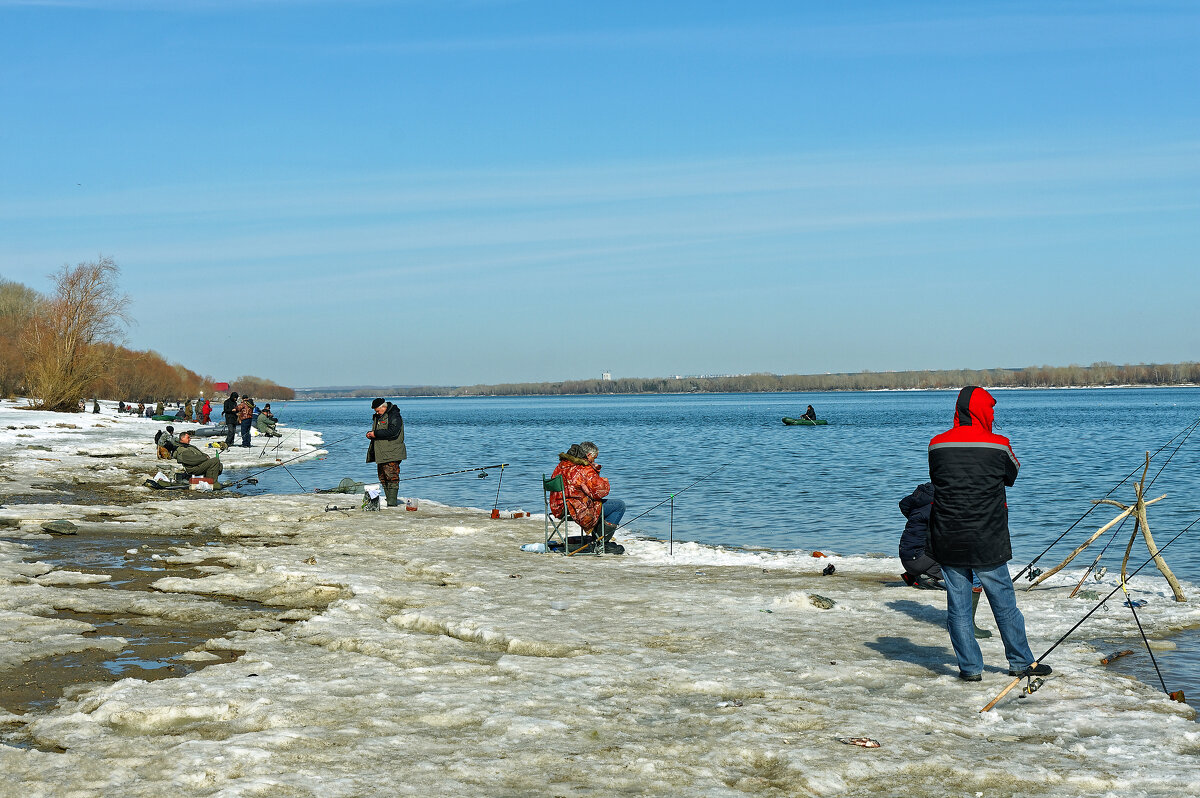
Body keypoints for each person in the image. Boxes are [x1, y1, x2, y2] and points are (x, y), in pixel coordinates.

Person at [929, 386, 1049, 682]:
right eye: (991, 409)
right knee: (1004, 602)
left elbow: (937, 478)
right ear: (983, 411)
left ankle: (970, 668)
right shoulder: (999, 445)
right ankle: (1020, 662)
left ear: (958, 410)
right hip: (988, 537)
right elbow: (1012, 475)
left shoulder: (936, 445)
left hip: (948, 535)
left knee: (958, 606)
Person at [899, 482, 991, 639]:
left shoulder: (923, 495)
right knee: (969, 568)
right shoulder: (937, 504)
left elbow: (903, 505)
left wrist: (919, 525)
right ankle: (967, 625)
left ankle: (919, 576)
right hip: (918, 557)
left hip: (908, 555)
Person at [549, 442, 625, 552]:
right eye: (594, 458)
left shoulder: (561, 466)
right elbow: (601, 491)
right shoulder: (583, 469)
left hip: (559, 508)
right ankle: (601, 542)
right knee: (619, 506)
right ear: (588, 455)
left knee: (598, 505)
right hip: (576, 509)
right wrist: (597, 471)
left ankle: (597, 539)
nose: (594, 461)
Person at [366, 398, 406, 507]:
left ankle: (392, 504)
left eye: (378, 411)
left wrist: (376, 434)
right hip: (381, 453)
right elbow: (379, 431)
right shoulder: (379, 417)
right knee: (382, 477)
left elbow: (393, 431)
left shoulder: (394, 415)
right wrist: (371, 434)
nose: (376, 413)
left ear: (384, 407)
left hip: (392, 453)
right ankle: (389, 501)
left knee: (392, 476)